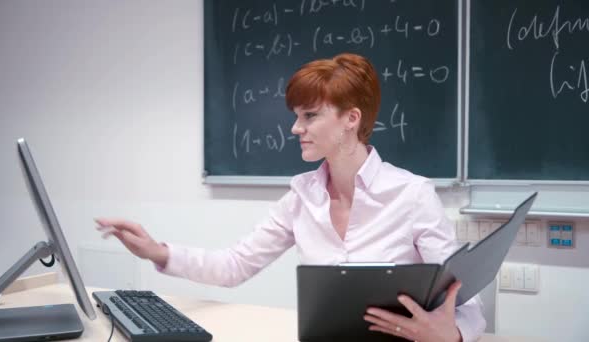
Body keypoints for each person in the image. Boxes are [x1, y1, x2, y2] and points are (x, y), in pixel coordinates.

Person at [95, 53, 486, 341]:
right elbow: (234, 265)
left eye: (310, 115)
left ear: (351, 119)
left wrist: (451, 335)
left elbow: (467, 305)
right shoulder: (302, 196)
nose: (295, 128)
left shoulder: (412, 195)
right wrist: (157, 252)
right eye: (297, 116)